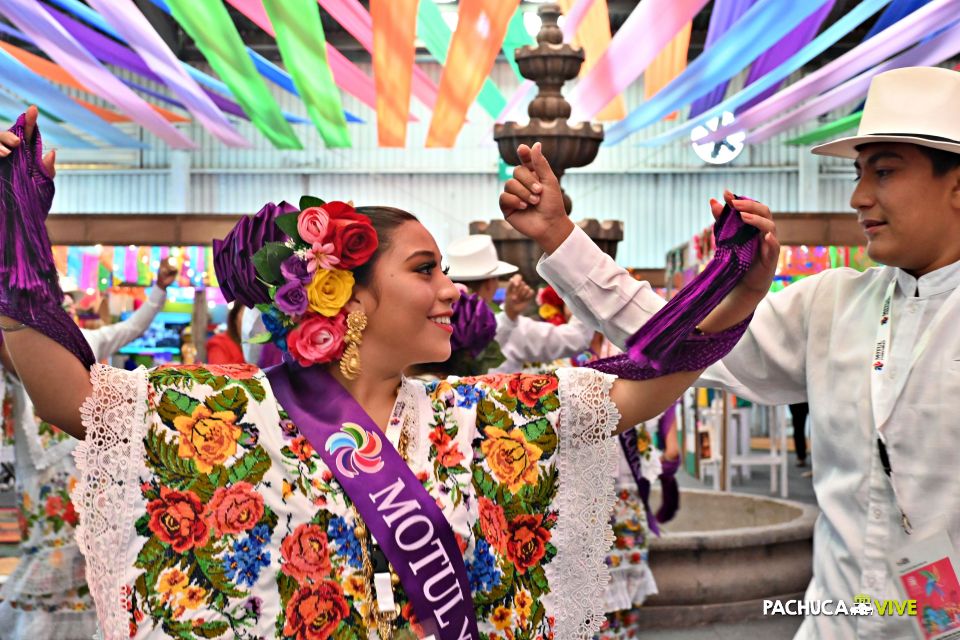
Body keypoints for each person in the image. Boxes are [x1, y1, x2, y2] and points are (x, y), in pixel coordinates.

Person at [0, 106, 776, 640]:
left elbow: (643, 379)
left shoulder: (480, 417)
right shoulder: (236, 413)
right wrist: (13, 242)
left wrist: (735, 287)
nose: (451, 292)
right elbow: (72, 397)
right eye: (426, 270)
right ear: (349, 295)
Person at [508, 66, 960, 639]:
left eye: (885, 172)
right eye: (857, 172)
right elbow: (675, 339)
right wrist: (560, 236)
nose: (858, 196)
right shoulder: (833, 303)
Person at [0, 259, 178, 639]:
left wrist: (160, 291)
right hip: (38, 473)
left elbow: (134, 326)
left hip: (85, 466)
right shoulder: (19, 345)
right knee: (44, 543)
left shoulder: (88, 343)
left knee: (90, 548)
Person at [446, 235, 594, 373]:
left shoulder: (438, 325)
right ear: (490, 284)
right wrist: (580, 289)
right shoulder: (515, 328)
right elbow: (576, 339)